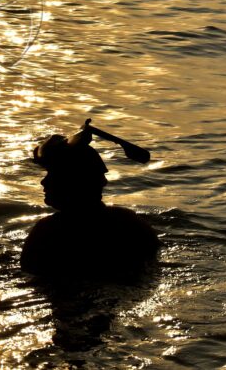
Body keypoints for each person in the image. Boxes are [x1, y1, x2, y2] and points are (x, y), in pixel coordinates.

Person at [21, 119, 158, 279]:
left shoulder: (47, 231)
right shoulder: (131, 223)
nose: (43, 182)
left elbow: (28, 274)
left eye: (53, 174)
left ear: (73, 183)